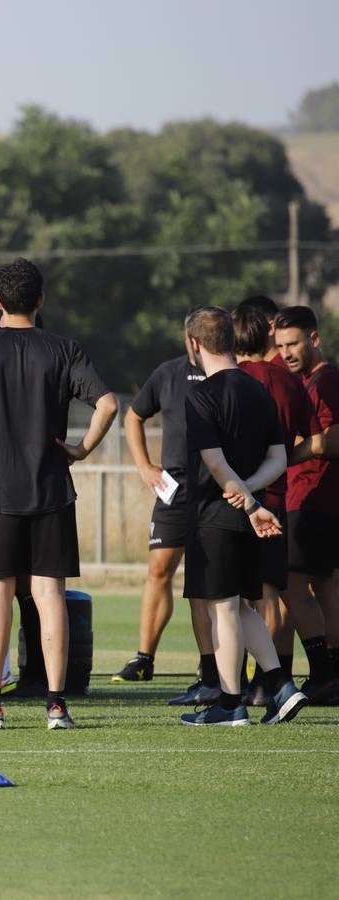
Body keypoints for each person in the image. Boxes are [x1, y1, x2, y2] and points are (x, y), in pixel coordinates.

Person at [0, 258, 118, 731]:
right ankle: (57, 706)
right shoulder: (64, 349)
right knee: (49, 596)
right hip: (52, 492)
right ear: (40, 300)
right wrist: (81, 449)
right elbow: (108, 403)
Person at [178, 306, 306, 725]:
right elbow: (278, 458)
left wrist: (246, 500)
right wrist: (252, 494)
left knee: (224, 609)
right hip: (251, 513)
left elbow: (214, 464)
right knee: (245, 607)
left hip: (218, 516)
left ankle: (230, 704)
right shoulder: (258, 391)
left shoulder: (200, 395)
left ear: (194, 345)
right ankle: (281, 685)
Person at [110, 349, 217, 703]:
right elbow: (132, 416)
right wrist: (143, 466)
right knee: (158, 570)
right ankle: (144, 659)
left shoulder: (229, 373)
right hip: (175, 488)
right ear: (190, 339)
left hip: (220, 487)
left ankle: (216, 664)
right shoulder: (168, 373)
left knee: (214, 577)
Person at [233, 303, 321, 703]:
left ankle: (251, 683)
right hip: (277, 497)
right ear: (269, 334)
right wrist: (283, 460)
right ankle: (274, 679)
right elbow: (314, 436)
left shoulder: (232, 380)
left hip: (238, 499)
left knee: (239, 597)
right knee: (271, 592)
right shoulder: (288, 381)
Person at [274, 305, 339, 703]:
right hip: (314, 500)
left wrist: (281, 457)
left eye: (294, 343)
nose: (286, 353)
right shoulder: (306, 381)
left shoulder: (326, 382)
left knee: (291, 585)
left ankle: (321, 671)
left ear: (313, 338)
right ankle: (329, 674)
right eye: (280, 345)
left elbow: (331, 441)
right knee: (327, 586)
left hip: (311, 498)